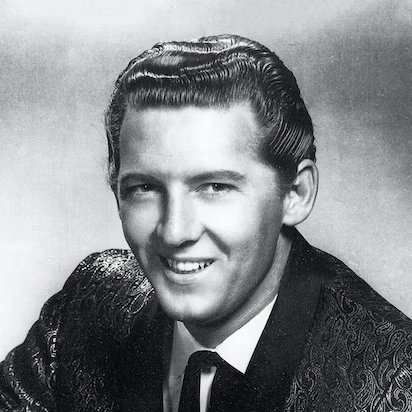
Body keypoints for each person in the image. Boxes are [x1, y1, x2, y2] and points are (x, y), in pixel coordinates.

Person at [1, 34, 411, 412]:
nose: (175, 231)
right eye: (145, 187)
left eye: (214, 187)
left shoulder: (396, 377)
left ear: (295, 194)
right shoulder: (87, 303)